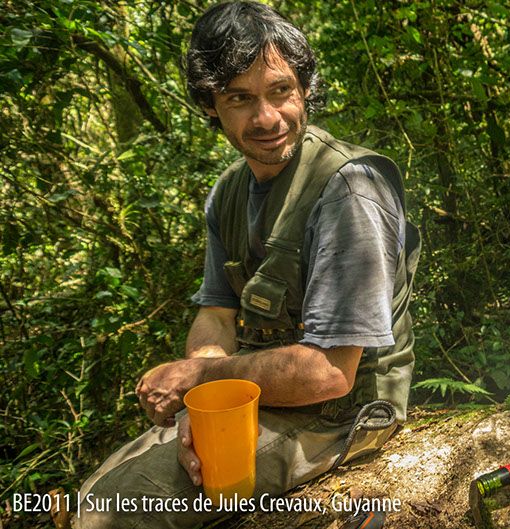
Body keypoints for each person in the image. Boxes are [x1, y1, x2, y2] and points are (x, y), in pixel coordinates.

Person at [74, 2, 419, 528]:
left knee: (114, 513)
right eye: (239, 98)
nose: (266, 118)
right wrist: (207, 403)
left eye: (280, 90)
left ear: (304, 88)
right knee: (91, 495)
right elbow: (216, 311)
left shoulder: (349, 189)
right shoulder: (229, 191)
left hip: (341, 414)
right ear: (210, 105)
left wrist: (199, 378)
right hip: (255, 397)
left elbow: (329, 374)